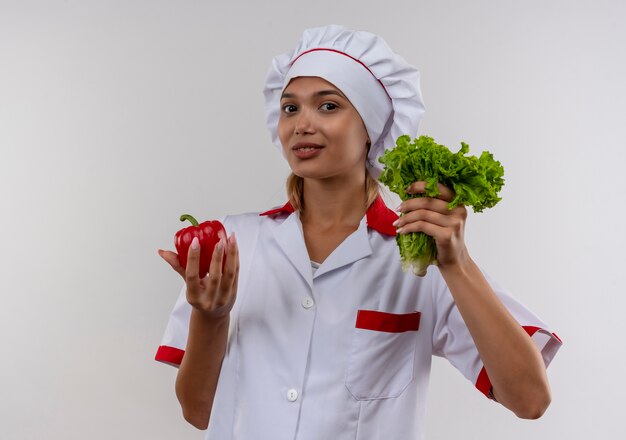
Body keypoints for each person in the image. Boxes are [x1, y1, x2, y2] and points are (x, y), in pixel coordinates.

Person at [156, 25, 562, 440]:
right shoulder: (232, 243)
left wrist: (457, 263)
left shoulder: (421, 257)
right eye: (290, 108)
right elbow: (199, 411)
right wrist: (211, 317)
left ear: (371, 126)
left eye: (328, 106)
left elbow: (529, 399)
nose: (302, 124)